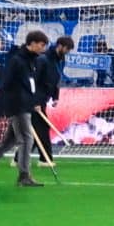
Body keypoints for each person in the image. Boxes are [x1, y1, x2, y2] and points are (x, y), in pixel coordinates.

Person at [0, 31, 49, 188]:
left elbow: (29, 84)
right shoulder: (17, 60)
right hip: (18, 106)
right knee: (27, 139)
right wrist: (2, 105)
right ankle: (24, 176)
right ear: (32, 43)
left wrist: (33, 100)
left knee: (8, 143)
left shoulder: (32, 61)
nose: (43, 48)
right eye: (41, 44)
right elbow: (5, 83)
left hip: (24, 104)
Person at [31, 36, 73, 167]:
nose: (67, 52)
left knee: (33, 130)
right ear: (60, 46)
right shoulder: (42, 59)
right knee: (42, 128)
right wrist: (35, 101)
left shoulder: (59, 61)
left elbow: (57, 79)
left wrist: (56, 96)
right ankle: (45, 159)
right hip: (35, 100)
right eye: (67, 49)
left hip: (43, 99)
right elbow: (34, 81)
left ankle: (18, 157)